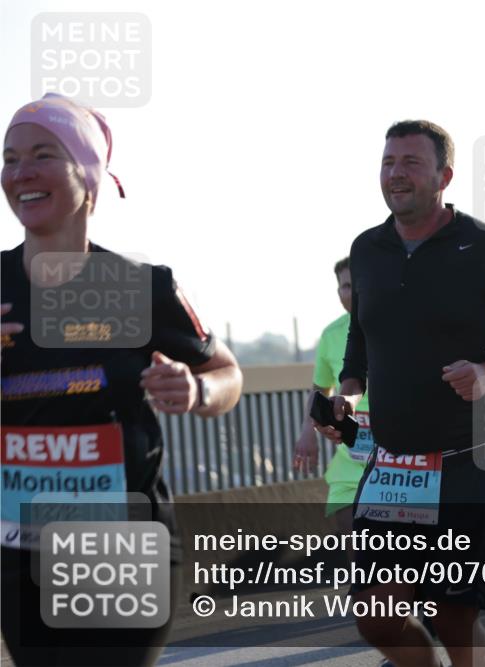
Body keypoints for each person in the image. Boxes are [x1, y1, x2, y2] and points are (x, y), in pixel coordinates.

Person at [0, 94, 242, 666]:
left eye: (41, 155)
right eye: (9, 159)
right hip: (19, 550)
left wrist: (196, 389)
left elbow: (226, 373)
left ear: (87, 175)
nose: (20, 173)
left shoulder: (140, 286)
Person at [327, 120, 485, 667]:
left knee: (453, 618)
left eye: (411, 162)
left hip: (468, 458)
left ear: (444, 176)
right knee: (376, 615)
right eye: (388, 162)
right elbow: (363, 334)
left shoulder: (482, 246)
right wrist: (349, 391)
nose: (396, 173)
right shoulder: (367, 249)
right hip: (393, 463)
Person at [292, 256, 367, 559]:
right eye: (345, 286)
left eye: (357, 284)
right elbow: (321, 389)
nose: (351, 292)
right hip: (350, 455)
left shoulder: (402, 326)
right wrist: (307, 433)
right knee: (355, 547)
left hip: (400, 457)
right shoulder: (332, 334)